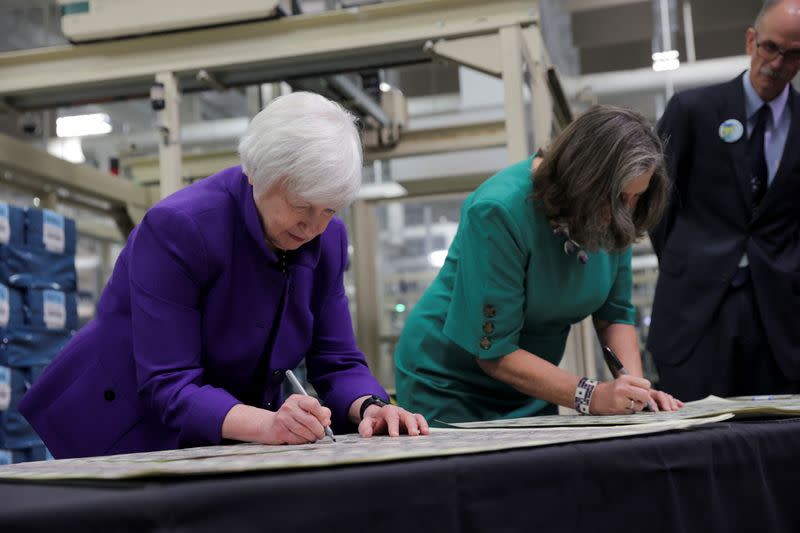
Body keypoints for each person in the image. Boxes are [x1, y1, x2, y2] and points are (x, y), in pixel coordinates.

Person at [20, 92, 429, 459]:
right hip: (121, 427)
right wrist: (268, 425)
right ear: (256, 173)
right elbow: (170, 384)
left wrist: (371, 407)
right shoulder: (178, 228)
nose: (313, 228)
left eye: (329, 211)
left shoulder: (327, 239)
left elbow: (337, 360)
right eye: (301, 207)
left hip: (225, 429)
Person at [394, 105, 682, 424]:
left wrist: (634, 392)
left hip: (533, 383)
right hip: (450, 383)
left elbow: (615, 316)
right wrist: (592, 395)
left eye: (635, 198)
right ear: (583, 180)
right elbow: (494, 353)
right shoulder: (498, 211)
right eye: (617, 197)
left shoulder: (616, 218)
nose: (624, 212)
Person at [647, 0, 800, 401]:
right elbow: (656, 204)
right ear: (751, 41)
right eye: (770, 47)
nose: (778, 62)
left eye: (793, 53)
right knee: (697, 442)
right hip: (694, 312)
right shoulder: (692, 110)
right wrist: (687, 261)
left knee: (777, 447)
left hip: (781, 316)